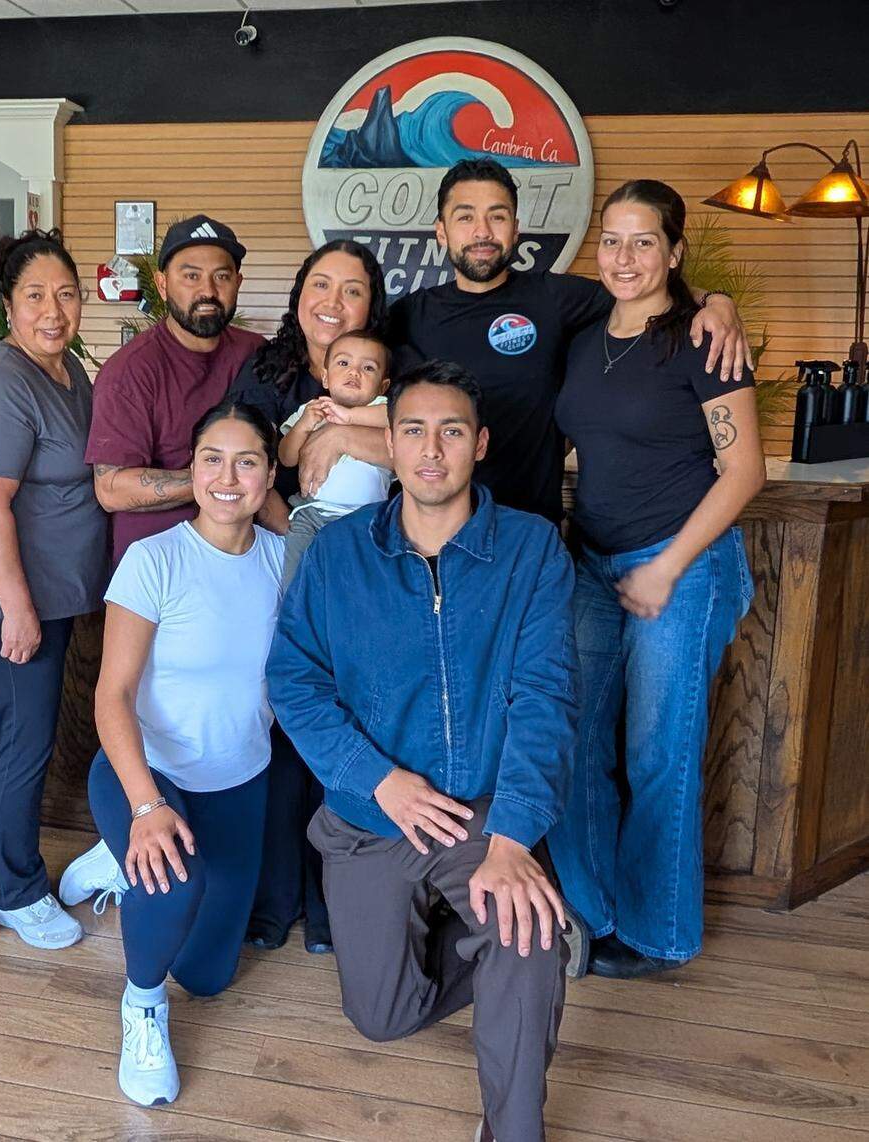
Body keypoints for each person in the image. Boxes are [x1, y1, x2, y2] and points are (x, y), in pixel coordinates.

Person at [269, 361, 581, 1142]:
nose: (431, 449)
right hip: (371, 815)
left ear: (478, 444)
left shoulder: (532, 550)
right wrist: (379, 782)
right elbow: (293, 682)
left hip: (479, 811)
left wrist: (511, 840)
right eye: (412, 430)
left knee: (526, 925)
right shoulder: (339, 554)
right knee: (381, 1015)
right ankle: (502, 951)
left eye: (450, 431)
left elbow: (546, 699)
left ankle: (513, 1123)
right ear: (390, 444)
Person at [547, 180, 765, 980]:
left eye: (645, 242)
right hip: (591, 562)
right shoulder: (582, 331)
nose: (625, 257)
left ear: (675, 252)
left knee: (656, 753)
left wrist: (667, 568)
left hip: (680, 561)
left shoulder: (702, 340)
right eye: (613, 240)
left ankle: (659, 931)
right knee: (571, 736)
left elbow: (745, 471)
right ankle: (593, 911)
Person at [62, 400, 285, 1108]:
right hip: (146, 773)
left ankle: (113, 856)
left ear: (269, 475)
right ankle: (142, 1006)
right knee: (174, 889)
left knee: (212, 975)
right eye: (212, 459)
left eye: (247, 461)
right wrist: (146, 806)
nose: (228, 476)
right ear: (190, 470)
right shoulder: (152, 559)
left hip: (239, 779)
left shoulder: (285, 561)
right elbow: (112, 697)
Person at [388, 157, 751, 525]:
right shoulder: (408, 316)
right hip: (434, 531)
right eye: (465, 217)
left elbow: (643, 284)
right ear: (441, 230)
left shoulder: (556, 298)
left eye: (497, 217)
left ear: (515, 229)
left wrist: (716, 301)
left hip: (530, 532)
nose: (482, 232)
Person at [0, 229, 110, 950]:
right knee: (25, 739)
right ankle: (16, 891)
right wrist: (16, 607)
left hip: (53, 593)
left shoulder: (67, 368)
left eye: (66, 294)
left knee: (10, 732)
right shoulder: (0, 386)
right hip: (9, 599)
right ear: (8, 305)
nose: (54, 310)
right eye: (36, 295)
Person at [228, 238, 389, 953]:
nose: (333, 302)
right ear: (298, 296)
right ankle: (276, 899)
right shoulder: (267, 369)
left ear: (371, 307)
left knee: (351, 725)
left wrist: (347, 434)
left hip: (370, 573)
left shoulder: (391, 374)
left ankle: (335, 908)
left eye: (352, 290)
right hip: (281, 553)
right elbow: (251, 463)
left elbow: (426, 446)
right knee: (285, 721)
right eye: (320, 285)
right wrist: (294, 522)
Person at [85, 214, 263, 567]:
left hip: (245, 563)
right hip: (158, 573)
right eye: (191, 275)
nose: (207, 291)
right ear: (163, 284)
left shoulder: (256, 354)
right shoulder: (130, 371)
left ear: (238, 283)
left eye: (222, 276)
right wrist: (218, 480)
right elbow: (111, 489)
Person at [277, 329, 392, 587]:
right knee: (296, 582)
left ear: (383, 385)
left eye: (368, 368)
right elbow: (285, 458)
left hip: (367, 519)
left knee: (360, 584)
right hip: (311, 515)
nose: (354, 372)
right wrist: (304, 425)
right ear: (326, 377)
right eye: (343, 363)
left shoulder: (380, 408)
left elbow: (398, 417)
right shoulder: (312, 410)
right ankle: (295, 620)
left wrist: (349, 417)